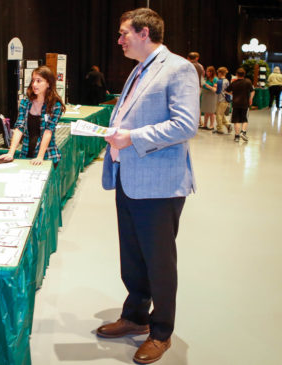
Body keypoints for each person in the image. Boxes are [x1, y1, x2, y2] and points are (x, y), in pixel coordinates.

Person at [97, 8, 198, 364]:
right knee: (133, 257)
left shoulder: (178, 68)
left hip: (159, 185)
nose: (120, 39)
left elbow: (185, 125)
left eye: (124, 33)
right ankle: (136, 316)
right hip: (129, 178)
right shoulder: (139, 69)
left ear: (144, 33)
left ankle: (161, 332)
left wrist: (132, 137)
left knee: (158, 261)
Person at [0, 65, 65, 166]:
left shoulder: (55, 106)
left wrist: (40, 156)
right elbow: (19, 128)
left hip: (46, 156)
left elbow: (48, 131)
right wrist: (11, 153)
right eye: (33, 81)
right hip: (26, 154)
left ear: (48, 83)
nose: (34, 84)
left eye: (39, 81)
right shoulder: (25, 103)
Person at [226, 68, 254, 142]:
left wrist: (232, 93)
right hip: (245, 103)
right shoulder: (248, 82)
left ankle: (237, 136)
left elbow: (226, 91)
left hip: (236, 104)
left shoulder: (234, 83)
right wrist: (250, 99)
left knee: (236, 120)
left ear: (237, 74)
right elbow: (252, 91)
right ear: (244, 74)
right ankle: (243, 132)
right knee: (245, 119)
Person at [214, 67, 233, 134]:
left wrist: (212, 87)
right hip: (226, 100)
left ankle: (220, 129)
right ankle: (228, 125)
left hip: (221, 99)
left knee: (218, 115)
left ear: (220, 73)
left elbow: (218, 92)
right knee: (221, 114)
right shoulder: (227, 80)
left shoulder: (219, 81)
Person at [200, 66, 218, 130]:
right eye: (206, 71)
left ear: (211, 72)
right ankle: (205, 125)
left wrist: (207, 86)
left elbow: (215, 90)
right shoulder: (206, 78)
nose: (207, 72)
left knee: (211, 112)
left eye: (208, 71)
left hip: (211, 96)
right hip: (205, 95)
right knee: (206, 111)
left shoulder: (215, 79)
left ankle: (211, 125)